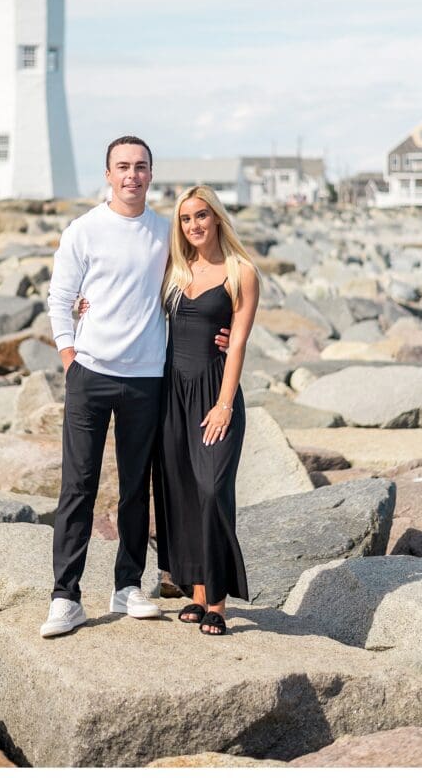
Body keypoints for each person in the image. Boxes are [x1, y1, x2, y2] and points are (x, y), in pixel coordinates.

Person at [41, 137, 229, 637]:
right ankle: (65, 596)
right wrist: (69, 358)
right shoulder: (83, 231)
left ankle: (127, 586)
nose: (132, 175)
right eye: (122, 167)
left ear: (151, 173)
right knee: (77, 486)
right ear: (107, 174)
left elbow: (204, 282)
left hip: (148, 379)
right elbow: (60, 299)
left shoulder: (167, 235)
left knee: (134, 490)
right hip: (91, 375)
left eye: (140, 167)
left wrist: (224, 331)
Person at [154, 185, 260, 635]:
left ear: (216, 217)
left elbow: (236, 344)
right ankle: (195, 591)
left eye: (201, 216)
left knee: (213, 489)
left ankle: (218, 601)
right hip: (171, 393)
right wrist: (82, 306)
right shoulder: (175, 270)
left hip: (215, 393)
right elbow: (127, 298)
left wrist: (223, 405)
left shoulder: (242, 272)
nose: (194, 225)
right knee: (180, 490)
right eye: (185, 219)